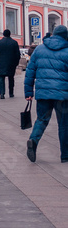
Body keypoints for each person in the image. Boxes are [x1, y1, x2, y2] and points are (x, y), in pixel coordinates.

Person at [24, 24, 68, 163]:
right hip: (62, 94)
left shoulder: (39, 49)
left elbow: (30, 71)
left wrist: (28, 92)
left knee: (42, 120)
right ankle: (65, 155)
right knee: (64, 124)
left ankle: (33, 140)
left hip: (43, 93)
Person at [0, 28, 21, 100]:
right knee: (11, 78)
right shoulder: (14, 43)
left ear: (3, 35)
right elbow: (18, 55)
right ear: (10, 34)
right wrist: (16, 63)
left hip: (1, 63)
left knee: (1, 78)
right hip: (11, 64)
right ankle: (11, 93)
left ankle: (2, 93)